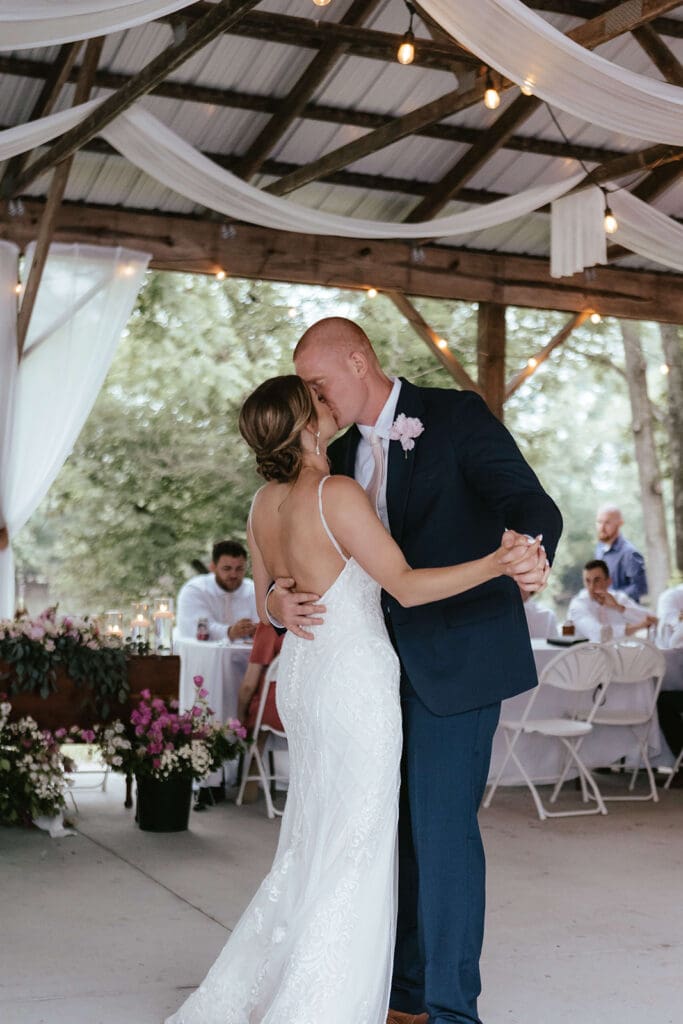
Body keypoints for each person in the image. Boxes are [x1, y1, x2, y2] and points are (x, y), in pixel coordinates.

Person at [165, 374, 545, 1024]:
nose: (331, 401)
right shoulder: (334, 492)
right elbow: (403, 584)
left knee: (316, 832)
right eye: (316, 398)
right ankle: (328, 996)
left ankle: (335, 979)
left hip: (306, 679)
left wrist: (279, 603)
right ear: (306, 422)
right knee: (359, 837)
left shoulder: (262, 502)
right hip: (355, 683)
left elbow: (266, 605)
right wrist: (494, 563)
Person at [270, 317, 562, 1024]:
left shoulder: (453, 415)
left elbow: (528, 502)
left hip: (456, 659)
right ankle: (403, 998)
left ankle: (451, 1009)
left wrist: (528, 547)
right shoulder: (330, 459)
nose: (313, 399)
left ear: (358, 359)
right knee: (387, 834)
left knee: (440, 832)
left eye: (318, 382)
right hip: (366, 674)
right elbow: (302, 551)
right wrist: (279, 597)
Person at [176, 540, 258, 642]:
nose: (234, 575)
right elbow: (196, 629)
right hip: (204, 656)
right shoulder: (195, 590)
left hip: (247, 657)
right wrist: (230, 632)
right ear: (213, 567)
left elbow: (263, 629)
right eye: (227, 569)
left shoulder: (254, 591)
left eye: (239, 569)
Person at [568, 559, 656, 643]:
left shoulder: (618, 598)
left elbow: (652, 618)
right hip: (586, 655)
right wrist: (637, 626)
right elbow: (601, 635)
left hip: (618, 654)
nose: (591, 587)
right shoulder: (578, 604)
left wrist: (618, 607)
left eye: (597, 580)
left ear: (608, 581)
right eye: (588, 581)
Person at [237, 621, 284, 733]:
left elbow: (248, 686)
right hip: (311, 712)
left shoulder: (270, 626)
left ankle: (254, 747)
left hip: (275, 713)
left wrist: (240, 717)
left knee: (256, 711)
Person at [594, 504, 647, 602]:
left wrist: (613, 597)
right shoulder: (599, 547)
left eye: (607, 523)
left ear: (620, 523)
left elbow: (641, 588)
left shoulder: (630, 553)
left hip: (624, 614)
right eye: (599, 522)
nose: (602, 527)